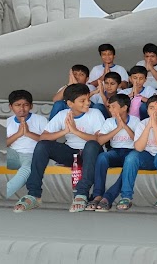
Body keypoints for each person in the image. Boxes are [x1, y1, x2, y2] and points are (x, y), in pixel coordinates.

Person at [15, 84, 106, 212]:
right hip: (71, 152)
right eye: (82, 101)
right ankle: (34, 194)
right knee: (43, 146)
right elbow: (43, 137)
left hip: (91, 153)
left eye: (88, 99)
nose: (87, 103)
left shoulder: (95, 113)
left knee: (91, 145)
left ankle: (82, 193)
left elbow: (99, 140)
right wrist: (65, 131)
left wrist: (75, 131)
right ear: (70, 103)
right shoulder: (63, 114)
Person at [111, 96, 157, 211]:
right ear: (147, 111)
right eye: (152, 108)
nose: (155, 111)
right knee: (131, 157)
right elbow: (138, 147)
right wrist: (148, 126)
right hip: (147, 157)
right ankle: (126, 196)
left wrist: (155, 127)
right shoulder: (142, 124)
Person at [87, 94, 138, 211]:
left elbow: (137, 141)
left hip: (131, 152)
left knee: (129, 165)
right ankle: (98, 195)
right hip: (115, 151)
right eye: (109, 107)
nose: (110, 110)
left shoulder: (135, 121)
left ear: (124, 108)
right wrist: (118, 128)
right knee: (102, 157)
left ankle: (107, 198)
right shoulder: (109, 122)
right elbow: (100, 140)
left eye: (113, 107)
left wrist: (124, 126)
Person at [4, 89, 48, 200]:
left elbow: (49, 143)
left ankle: (4, 193)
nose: (22, 108)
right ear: (11, 107)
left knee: (28, 168)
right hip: (13, 153)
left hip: (31, 154)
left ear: (31, 106)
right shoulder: (8, 121)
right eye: (17, 105)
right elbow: (4, 144)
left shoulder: (40, 120)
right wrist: (18, 134)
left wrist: (28, 133)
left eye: (25, 105)